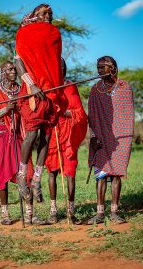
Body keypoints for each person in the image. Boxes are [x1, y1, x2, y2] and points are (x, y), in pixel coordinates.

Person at [15, 3, 64, 203]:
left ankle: (36, 178)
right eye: (45, 13)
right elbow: (19, 63)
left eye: (51, 13)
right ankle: (21, 175)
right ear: (35, 16)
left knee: (46, 135)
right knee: (33, 133)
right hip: (32, 91)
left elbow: (55, 61)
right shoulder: (23, 34)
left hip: (50, 91)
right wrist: (32, 85)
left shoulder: (54, 34)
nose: (49, 16)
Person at [0, 61, 42, 225]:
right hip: (3, 136)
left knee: (27, 173)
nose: (14, 71)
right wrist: (5, 110)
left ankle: (30, 214)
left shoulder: (22, 90)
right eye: (10, 69)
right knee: (3, 174)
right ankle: (5, 214)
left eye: (15, 69)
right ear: (2, 72)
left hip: (20, 135)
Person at [87, 56, 134, 224]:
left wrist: (125, 138)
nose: (99, 71)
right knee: (100, 174)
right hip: (100, 137)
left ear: (112, 67)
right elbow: (91, 117)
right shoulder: (95, 89)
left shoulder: (124, 87)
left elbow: (128, 115)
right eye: (98, 68)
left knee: (116, 175)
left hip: (120, 139)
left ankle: (114, 212)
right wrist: (93, 137)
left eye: (102, 67)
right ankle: (100, 214)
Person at [45, 58, 88, 224]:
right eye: (56, 66)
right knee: (52, 171)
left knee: (70, 172)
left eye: (62, 66)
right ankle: (53, 211)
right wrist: (52, 113)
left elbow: (79, 113)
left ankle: (71, 212)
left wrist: (61, 112)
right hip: (53, 133)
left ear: (65, 68)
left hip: (69, 134)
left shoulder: (70, 86)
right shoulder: (47, 87)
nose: (60, 69)